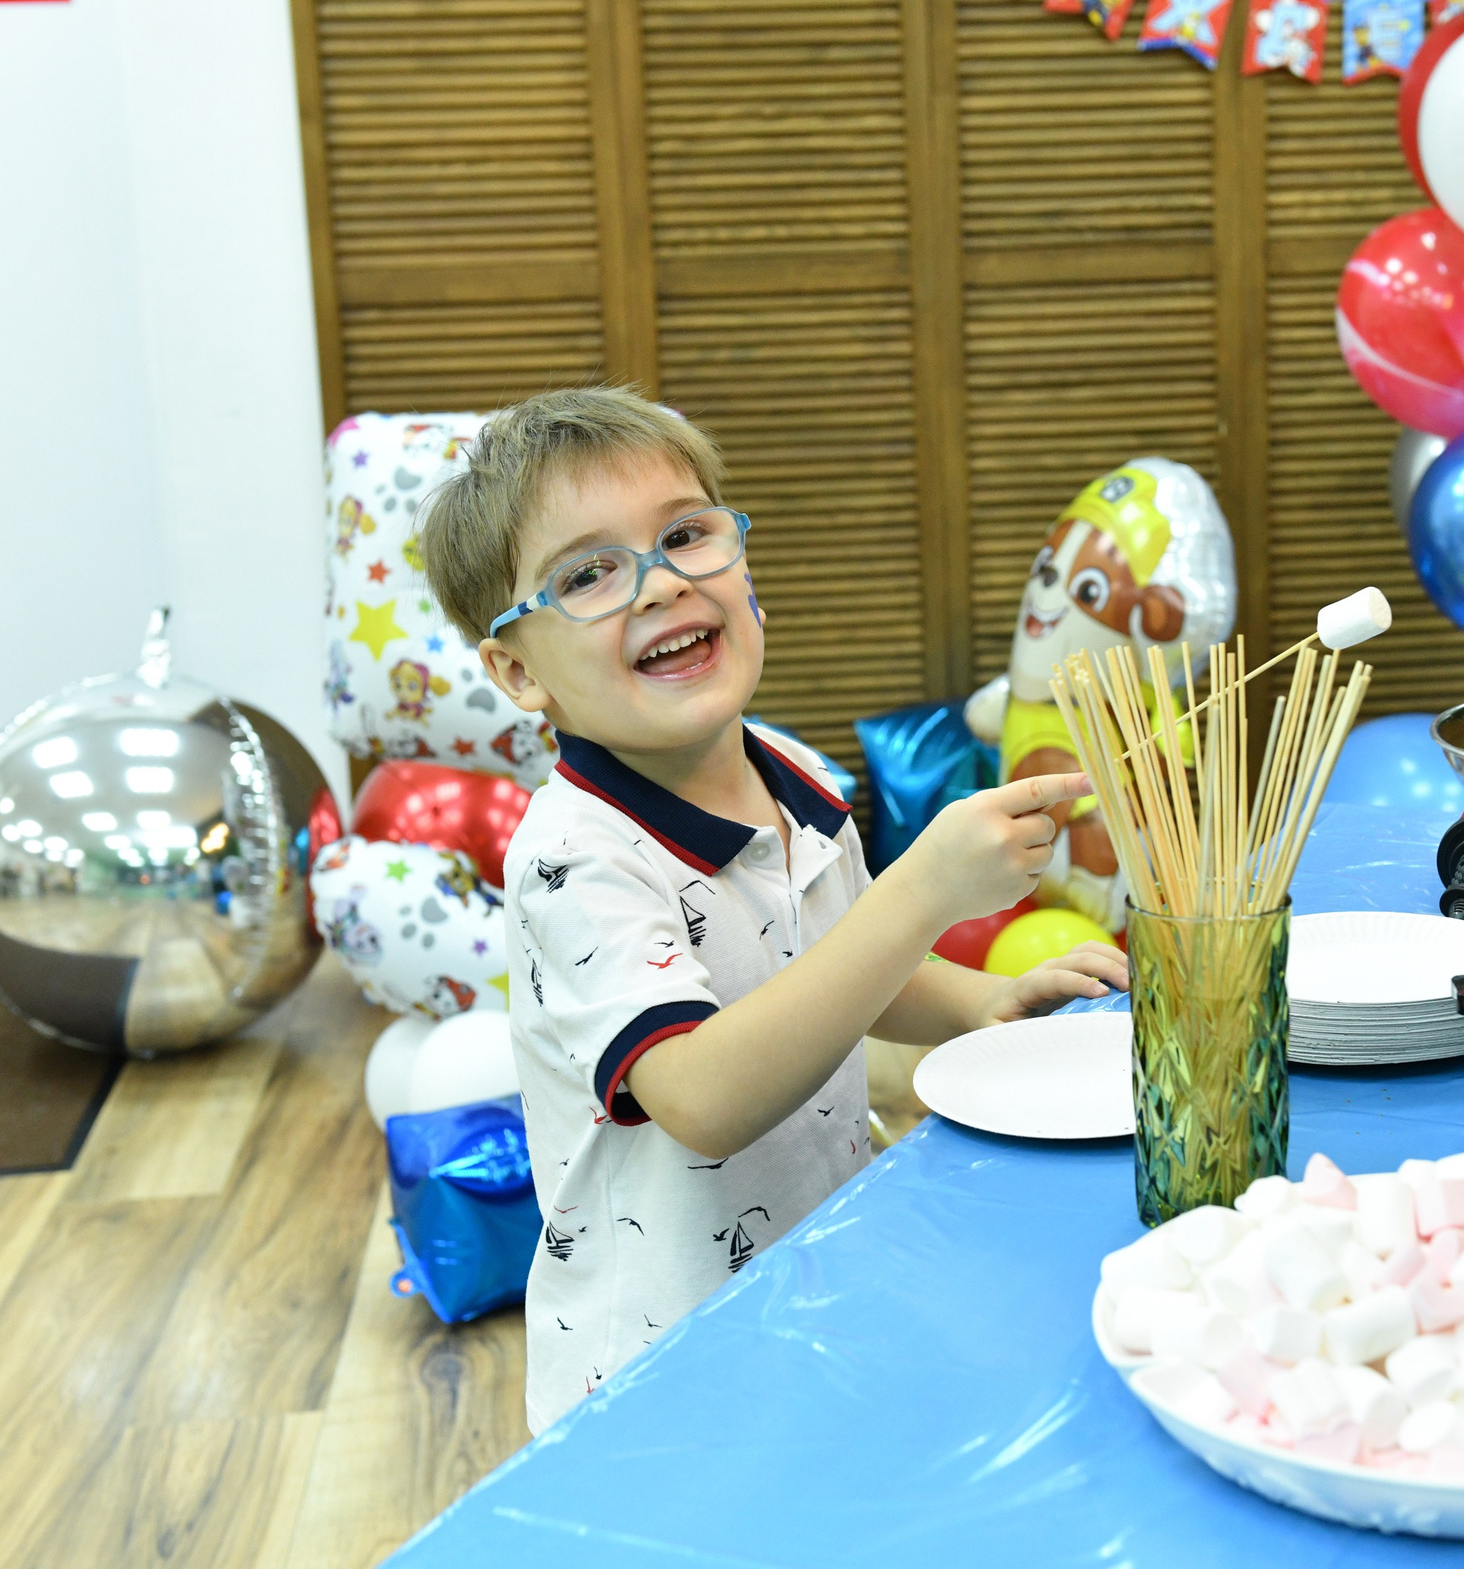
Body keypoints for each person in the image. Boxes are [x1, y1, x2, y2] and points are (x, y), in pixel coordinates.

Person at [420, 385, 1129, 1432]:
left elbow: (838, 963)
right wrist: (923, 890)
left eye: (683, 536)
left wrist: (981, 1001)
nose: (660, 583)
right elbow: (702, 1094)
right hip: (660, 1382)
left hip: (807, 1296)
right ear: (519, 671)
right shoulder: (574, 861)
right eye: (588, 574)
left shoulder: (790, 772)